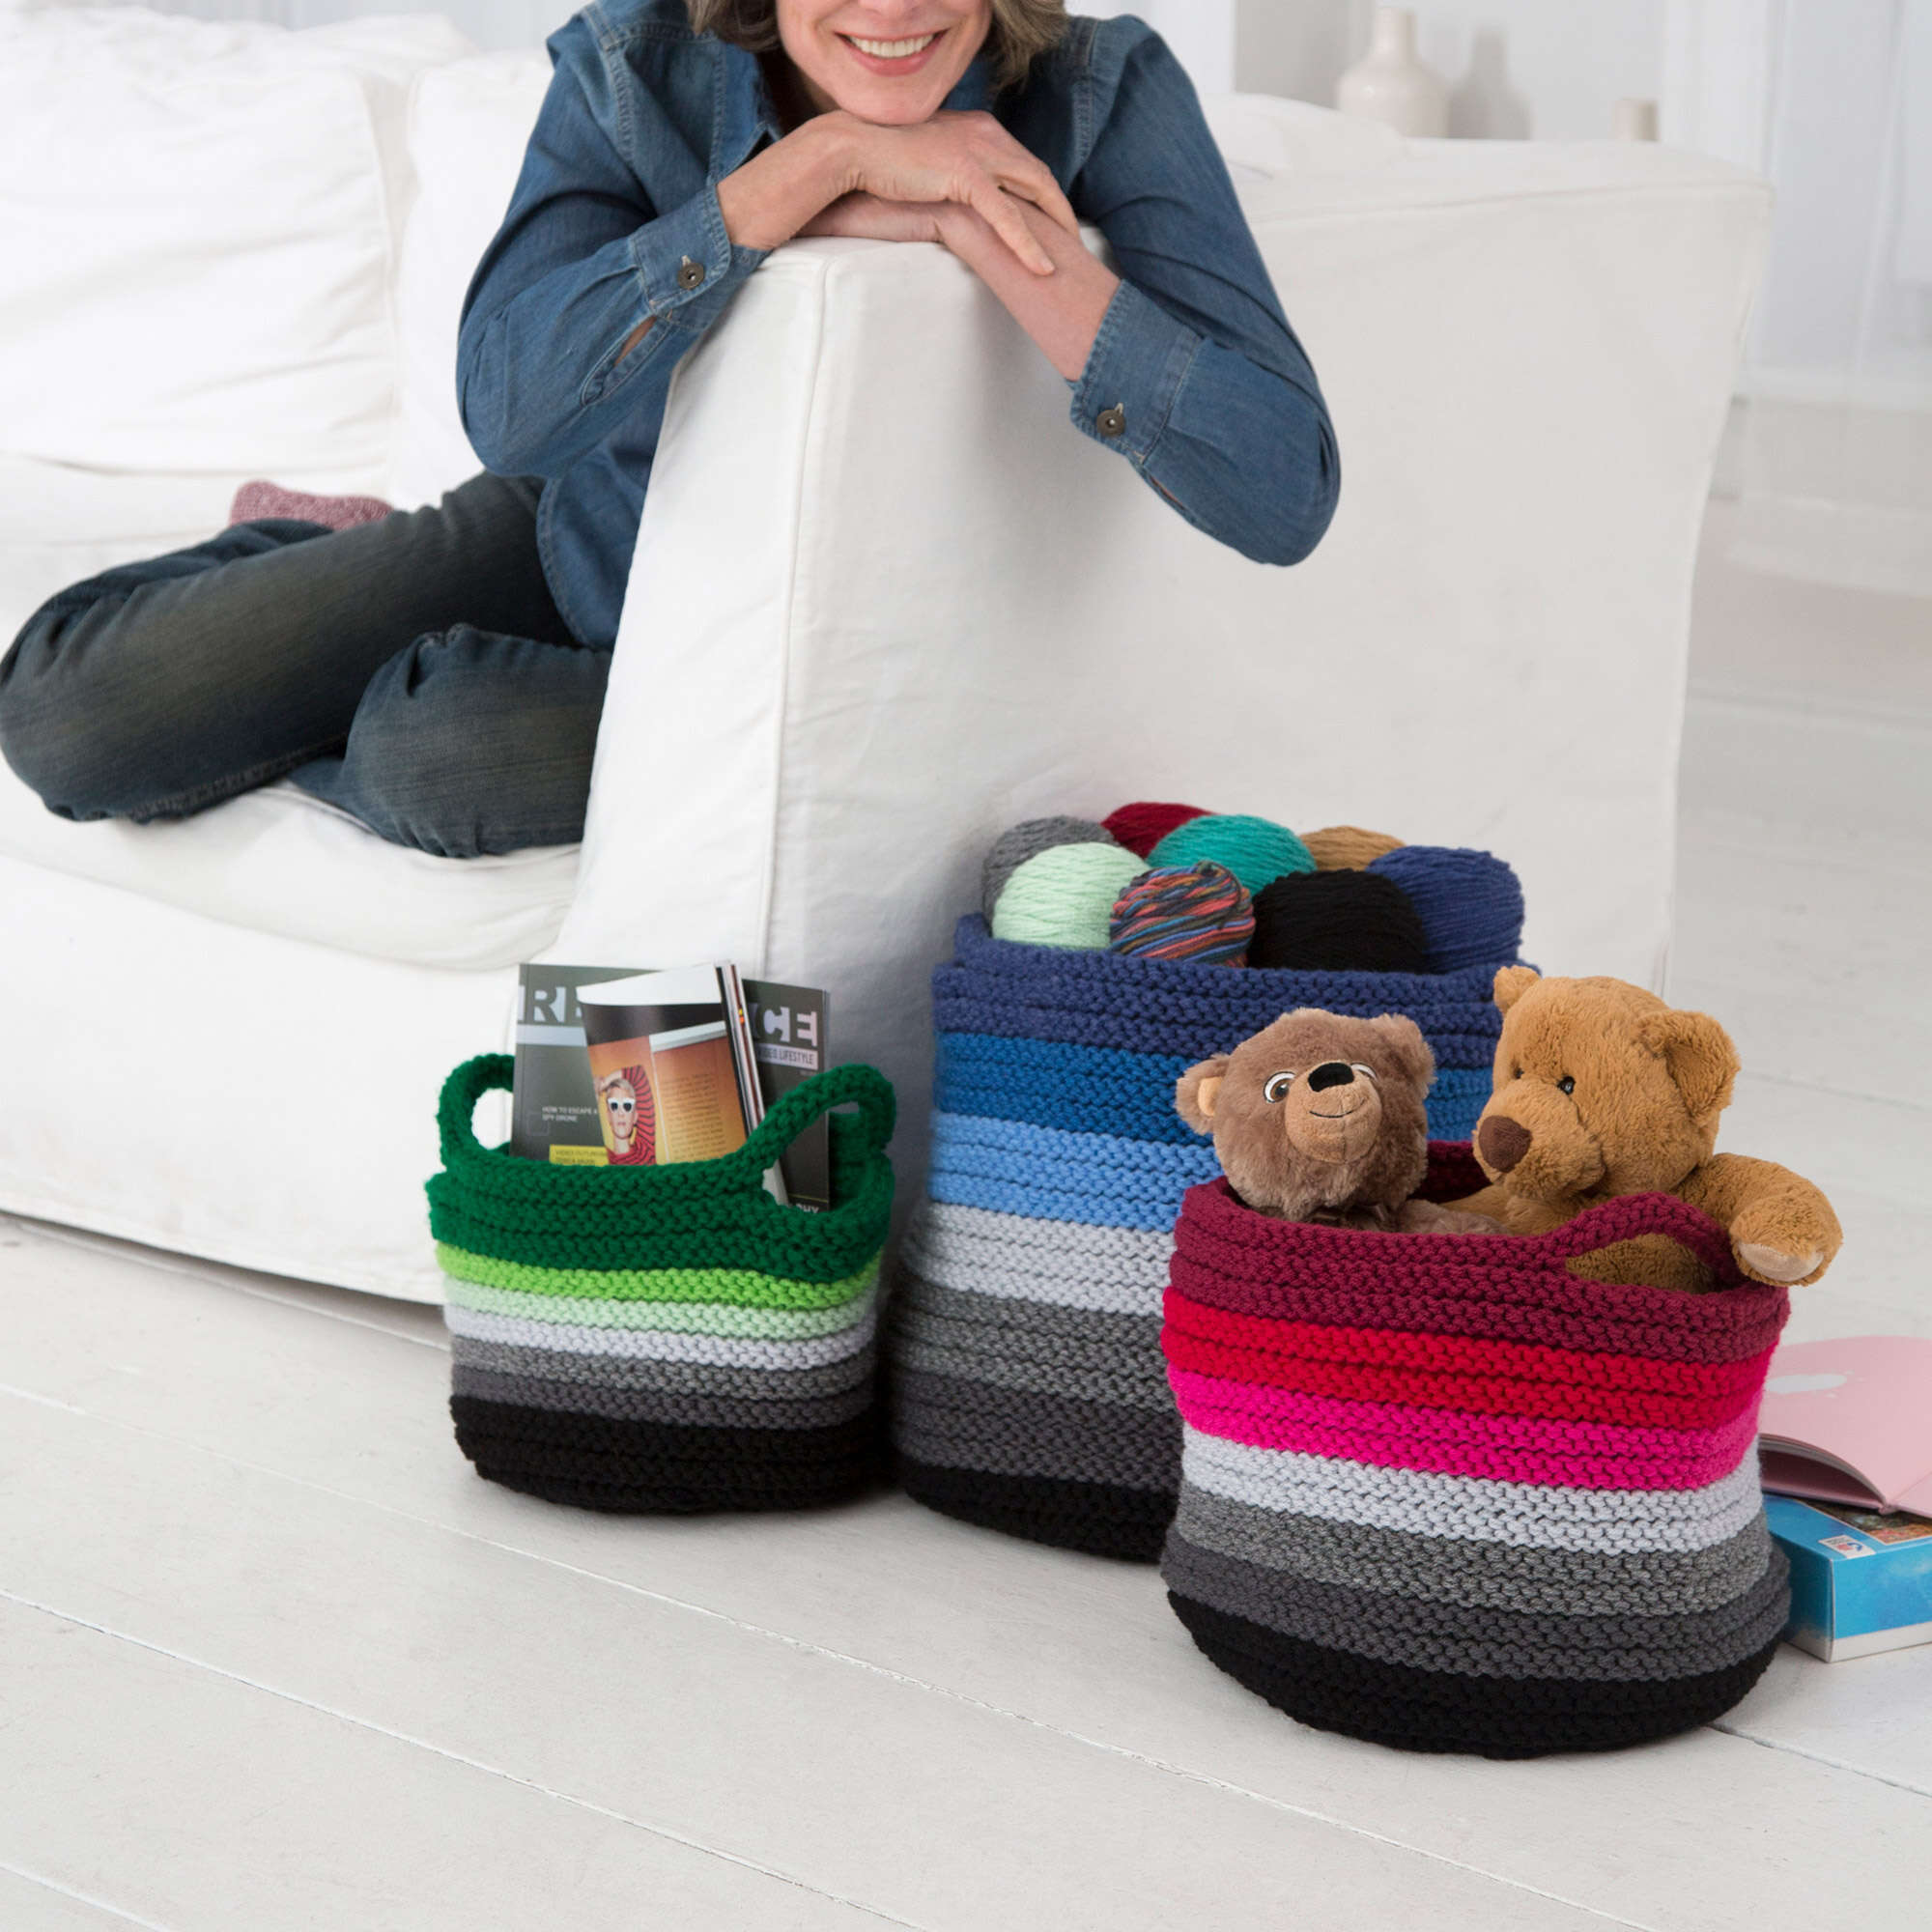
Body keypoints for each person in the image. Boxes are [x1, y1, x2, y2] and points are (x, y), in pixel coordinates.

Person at [0, 0, 1339, 860]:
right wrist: (810, 174)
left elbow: (1284, 491)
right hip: (571, 541)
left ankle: (336, 666)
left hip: (799, 677)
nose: (892, 11)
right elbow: (510, 408)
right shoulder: (634, 67)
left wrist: (994, 229)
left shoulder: (1104, 87)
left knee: (438, 748)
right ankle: (309, 552)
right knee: (71, 718)